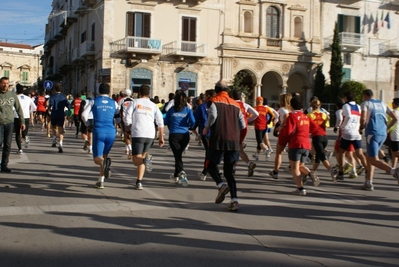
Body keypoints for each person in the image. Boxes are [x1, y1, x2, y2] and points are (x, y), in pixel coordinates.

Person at [203, 80, 245, 211]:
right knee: (229, 172)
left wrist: (207, 127)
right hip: (233, 141)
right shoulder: (235, 104)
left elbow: (213, 116)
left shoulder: (214, 101)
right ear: (227, 90)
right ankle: (234, 201)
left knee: (210, 166)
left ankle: (221, 185)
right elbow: (243, 124)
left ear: (216, 89)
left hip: (219, 139)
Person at [124, 84, 165, 190]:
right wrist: (161, 137)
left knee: (136, 160)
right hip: (150, 135)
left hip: (138, 133)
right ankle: (139, 181)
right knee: (141, 157)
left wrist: (127, 130)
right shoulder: (153, 105)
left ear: (138, 93)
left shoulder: (134, 102)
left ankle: (146, 160)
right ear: (149, 94)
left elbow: (127, 118)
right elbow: (160, 122)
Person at [82, 83, 120, 189]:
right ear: (109, 91)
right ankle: (101, 180)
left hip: (99, 131)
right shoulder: (114, 103)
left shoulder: (94, 101)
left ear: (99, 90)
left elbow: (84, 115)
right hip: (111, 132)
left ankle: (104, 164)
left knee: (97, 159)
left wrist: (88, 125)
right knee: (105, 155)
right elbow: (118, 118)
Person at [360, 89, 398, 190]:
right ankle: (369, 182)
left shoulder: (366, 103)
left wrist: (360, 128)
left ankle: (394, 171)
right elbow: (394, 118)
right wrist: (387, 127)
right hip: (383, 133)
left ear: (365, 96)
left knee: (373, 159)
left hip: (372, 133)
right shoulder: (382, 103)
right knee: (370, 156)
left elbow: (363, 118)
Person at [278, 96, 314, 196]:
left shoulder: (292, 116)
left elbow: (288, 132)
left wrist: (281, 129)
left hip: (296, 144)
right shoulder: (305, 116)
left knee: (294, 168)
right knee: (301, 165)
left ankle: (300, 188)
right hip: (306, 144)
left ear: (291, 105)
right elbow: (311, 128)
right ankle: (310, 173)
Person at [335, 91, 368, 183]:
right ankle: (367, 170)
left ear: (346, 97)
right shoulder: (358, 106)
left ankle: (341, 173)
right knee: (360, 153)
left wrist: (343, 126)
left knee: (341, 152)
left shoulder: (346, 106)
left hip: (348, 132)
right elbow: (360, 118)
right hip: (356, 132)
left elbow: (348, 116)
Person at [164, 90, 196, 185]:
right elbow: (193, 121)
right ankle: (176, 175)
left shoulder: (171, 110)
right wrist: (189, 126)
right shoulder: (187, 110)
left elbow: (165, 121)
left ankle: (181, 172)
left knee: (178, 157)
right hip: (185, 135)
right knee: (178, 155)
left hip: (174, 135)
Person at [0, 77, 25, 172]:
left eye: (7, 83)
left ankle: (4, 165)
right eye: (3, 83)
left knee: (7, 144)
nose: (5, 85)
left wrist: (22, 121)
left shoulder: (12, 95)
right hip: (0, 122)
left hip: (10, 123)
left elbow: (18, 108)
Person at [231, 90, 259, 177]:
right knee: (237, 148)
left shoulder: (231, 104)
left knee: (236, 148)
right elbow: (256, 114)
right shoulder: (245, 105)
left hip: (234, 128)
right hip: (244, 128)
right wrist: (247, 120)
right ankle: (234, 167)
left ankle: (248, 163)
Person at [269, 93, 292, 179]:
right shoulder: (291, 109)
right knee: (291, 151)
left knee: (279, 152)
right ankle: (291, 167)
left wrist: (281, 126)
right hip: (292, 131)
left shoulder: (282, 109)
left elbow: (286, 117)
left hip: (284, 131)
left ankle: (276, 171)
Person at [195, 89, 216, 181]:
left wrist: (193, 127)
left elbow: (195, 118)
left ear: (209, 96)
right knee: (212, 152)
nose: (203, 96)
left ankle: (206, 172)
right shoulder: (217, 106)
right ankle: (210, 170)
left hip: (206, 132)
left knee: (209, 153)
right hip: (215, 132)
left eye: (205, 95)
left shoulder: (202, 107)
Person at [14, 84, 36, 154]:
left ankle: (20, 149)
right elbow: (35, 107)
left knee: (17, 133)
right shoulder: (28, 98)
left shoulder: (15, 98)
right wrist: (28, 111)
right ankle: (25, 137)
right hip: (26, 116)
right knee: (24, 132)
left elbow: (12, 108)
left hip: (17, 116)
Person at [49, 84, 70, 153]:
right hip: (61, 114)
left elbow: (50, 105)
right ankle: (60, 143)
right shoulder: (63, 97)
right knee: (60, 128)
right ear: (61, 89)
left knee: (53, 127)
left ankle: (54, 138)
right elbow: (68, 105)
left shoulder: (52, 96)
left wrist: (49, 108)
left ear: (55, 89)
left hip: (54, 113)